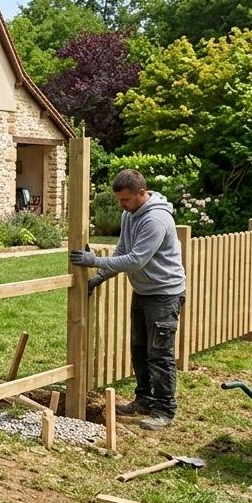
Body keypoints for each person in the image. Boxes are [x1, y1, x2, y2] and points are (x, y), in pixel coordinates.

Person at [70, 169, 186, 431]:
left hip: (165, 294)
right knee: (139, 349)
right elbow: (122, 251)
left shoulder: (155, 220)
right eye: (119, 200)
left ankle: (164, 409)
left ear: (142, 193)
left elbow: (136, 260)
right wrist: (99, 277)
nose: (121, 205)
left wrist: (94, 260)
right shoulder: (129, 214)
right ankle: (144, 400)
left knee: (160, 354)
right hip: (144, 291)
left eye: (126, 200)